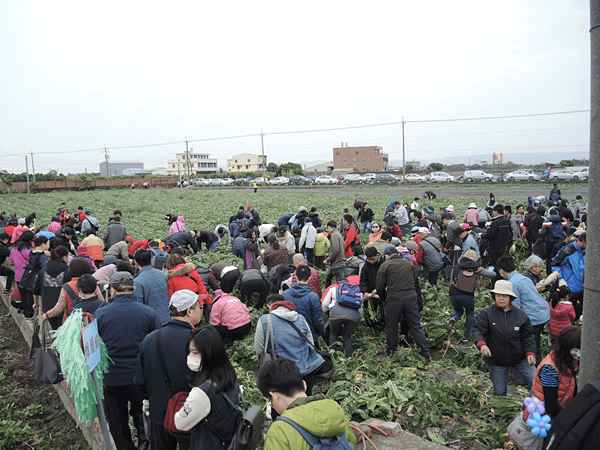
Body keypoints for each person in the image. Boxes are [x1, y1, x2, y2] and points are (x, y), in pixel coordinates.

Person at [95, 271, 161, 450]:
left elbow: (93, 348)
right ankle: (144, 443)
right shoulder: (148, 313)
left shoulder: (101, 315)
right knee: (142, 414)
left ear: (113, 291)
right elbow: (156, 346)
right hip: (140, 376)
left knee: (117, 420)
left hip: (112, 377)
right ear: (133, 289)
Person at [135, 290, 203, 450]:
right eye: (199, 306)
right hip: (192, 415)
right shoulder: (199, 340)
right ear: (189, 311)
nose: (201, 309)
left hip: (160, 414)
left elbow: (139, 382)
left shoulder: (150, 339)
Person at [257, 358, 356, 450]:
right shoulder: (333, 410)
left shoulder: (279, 430)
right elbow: (351, 442)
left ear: (275, 396)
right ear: (304, 385)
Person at [174, 325, 241, 449]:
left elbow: (180, 423)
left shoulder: (202, 392)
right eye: (189, 351)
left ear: (210, 354)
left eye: (195, 352)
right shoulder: (229, 375)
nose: (190, 356)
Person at [473, 280, 537, 397]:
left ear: (510, 298)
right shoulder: (486, 314)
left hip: (519, 357)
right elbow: (478, 330)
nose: (501, 298)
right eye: (498, 295)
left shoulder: (521, 315)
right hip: (497, 360)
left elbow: (528, 336)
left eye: (504, 295)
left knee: (537, 382)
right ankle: (499, 415)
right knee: (499, 392)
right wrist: (482, 344)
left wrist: (530, 352)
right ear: (494, 296)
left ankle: (531, 408)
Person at [254, 294, 325, 396]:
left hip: (280, 373)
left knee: (285, 404)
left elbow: (259, 349)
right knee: (305, 400)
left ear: (272, 307)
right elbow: (310, 342)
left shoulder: (264, 320)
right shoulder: (300, 318)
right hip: (305, 371)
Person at [376, 245, 431, 360]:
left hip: (394, 298)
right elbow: (415, 281)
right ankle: (425, 353)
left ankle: (391, 352)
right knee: (416, 325)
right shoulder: (409, 264)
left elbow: (380, 286)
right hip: (411, 297)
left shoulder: (385, 266)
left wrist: (384, 298)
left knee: (392, 326)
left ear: (386, 256)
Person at [497, 255, 550, 363]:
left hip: (534, 315)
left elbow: (515, 307)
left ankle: (536, 367)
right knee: (534, 339)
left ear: (502, 270)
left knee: (533, 343)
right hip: (542, 311)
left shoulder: (512, 283)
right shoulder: (523, 277)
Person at [528, 326, 580, 421]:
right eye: (578, 351)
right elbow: (551, 407)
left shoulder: (567, 360)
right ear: (568, 348)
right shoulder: (549, 369)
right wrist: (572, 419)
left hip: (559, 412)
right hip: (543, 420)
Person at [446, 250, 495, 342]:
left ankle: (453, 318)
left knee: (458, 310)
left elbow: (451, 280)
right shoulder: (477, 268)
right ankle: (466, 336)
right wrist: (491, 269)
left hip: (453, 294)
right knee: (470, 313)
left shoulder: (457, 266)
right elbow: (492, 275)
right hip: (468, 295)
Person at [283, 265, 325, 345]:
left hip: (290, 335)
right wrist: (321, 333)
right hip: (309, 336)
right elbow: (318, 320)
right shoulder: (313, 297)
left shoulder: (285, 294)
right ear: (309, 278)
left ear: (295, 276)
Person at [322, 280, 362, 357]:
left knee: (333, 333)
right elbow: (360, 310)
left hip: (336, 314)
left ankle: (333, 356)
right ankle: (349, 358)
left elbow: (325, 304)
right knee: (347, 336)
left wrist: (327, 312)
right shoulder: (356, 291)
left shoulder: (333, 289)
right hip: (353, 316)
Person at [552, 232, 586, 318]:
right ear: (582, 242)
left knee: (584, 310)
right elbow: (555, 264)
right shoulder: (567, 250)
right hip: (571, 286)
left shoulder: (588, 252)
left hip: (584, 287)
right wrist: (560, 279)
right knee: (570, 312)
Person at [134, 249, 170, 326]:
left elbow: (139, 306)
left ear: (136, 263)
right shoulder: (162, 274)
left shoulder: (137, 281)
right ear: (151, 260)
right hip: (167, 317)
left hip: (152, 322)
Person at [324, 220, 346, 287]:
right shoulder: (338, 233)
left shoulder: (334, 235)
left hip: (337, 263)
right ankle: (327, 292)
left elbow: (335, 250)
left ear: (329, 227)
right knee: (327, 276)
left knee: (340, 283)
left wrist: (328, 260)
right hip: (336, 263)